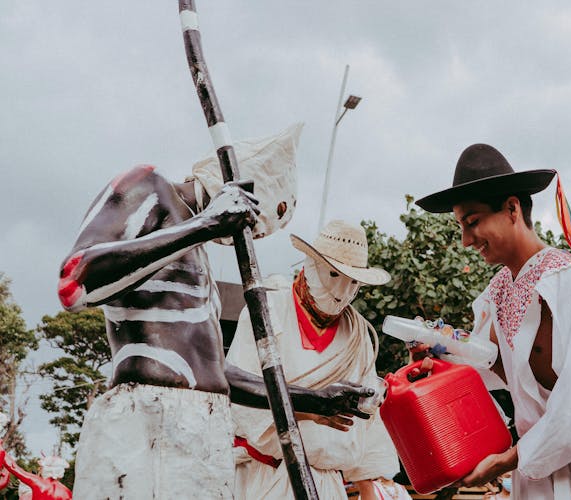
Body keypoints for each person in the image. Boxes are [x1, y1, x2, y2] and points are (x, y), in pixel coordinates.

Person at [57, 127, 373, 498]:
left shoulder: (200, 254)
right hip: (144, 419)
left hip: (202, 428)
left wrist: (313, 399)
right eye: (263, 223)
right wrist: (205, 224)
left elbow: (213, 370)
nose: (253, 236)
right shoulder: (150, 188)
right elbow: (75, 282)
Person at [414, 143, 571, 498]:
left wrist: (508, 460)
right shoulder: (497, 293)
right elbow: (480, 370)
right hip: (537, 475)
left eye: (472, 222)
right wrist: (435, 361)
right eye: (461, 226)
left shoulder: (568, 279)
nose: (465, 240)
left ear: (511, 208)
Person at [228, 220, 400, 499]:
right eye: (333, 274)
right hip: (265, 475)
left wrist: (369, 489)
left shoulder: (360, 338)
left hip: (328, 485)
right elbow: (243, 400)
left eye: (353, 281)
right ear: (309, 265)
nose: (342, 291)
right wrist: (312, 407)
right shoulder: (265, 313)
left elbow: (368, 422)